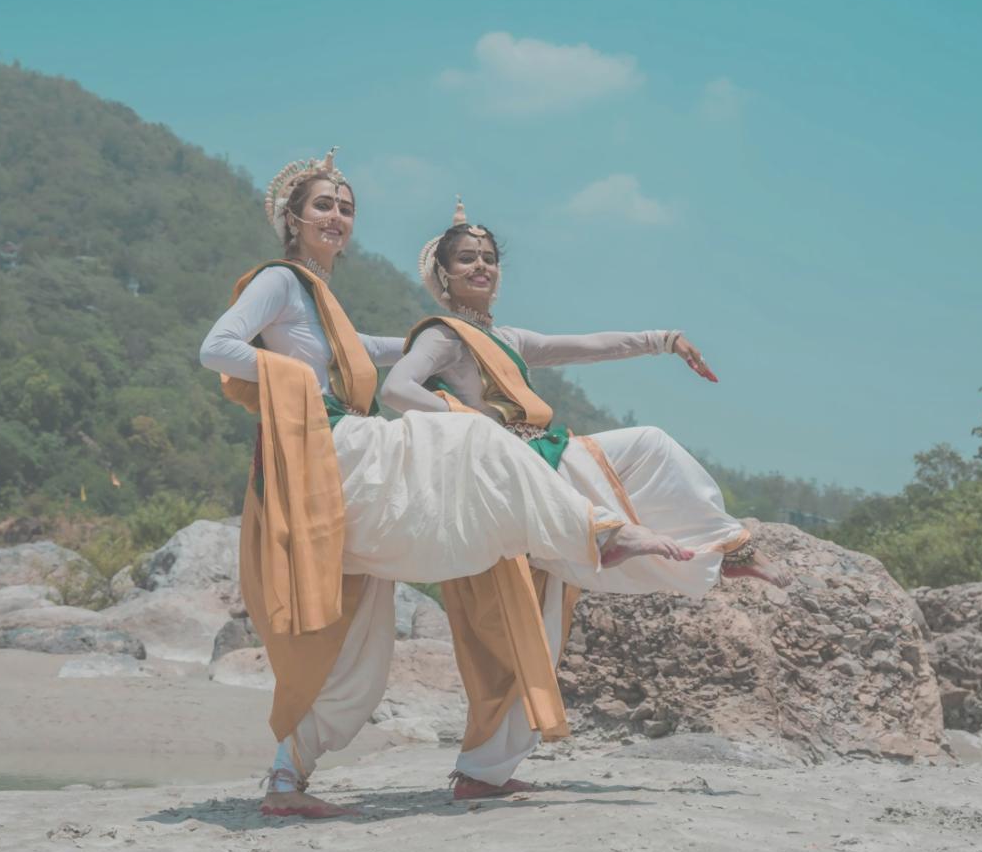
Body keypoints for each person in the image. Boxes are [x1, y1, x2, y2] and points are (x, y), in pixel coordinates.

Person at [199, 153, 690, 817]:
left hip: (338, 449)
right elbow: (218, 346)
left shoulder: (322, 299)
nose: (337, 216)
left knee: (356, 647)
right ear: (291, 217)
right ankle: (599, 531)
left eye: (345, 207)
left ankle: (286, 780)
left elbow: (375, 350)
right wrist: (297, 384)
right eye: (322, 205)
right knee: (473, 437)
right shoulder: (281, 282)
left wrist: (448, 343)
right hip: (325, 447)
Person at [380, 198, 790, 795]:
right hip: (508, 472)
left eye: (489, 258)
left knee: (541, 626)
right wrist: (472, 422)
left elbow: (590, 346)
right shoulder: (446, 337)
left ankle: (483, 775)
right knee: (644, 445)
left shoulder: (508, 338)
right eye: (466, 259)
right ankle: (613, 535)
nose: (480, 267)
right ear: (443, 275)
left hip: (545, 458)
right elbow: (397, 387)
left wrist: (663, 338)